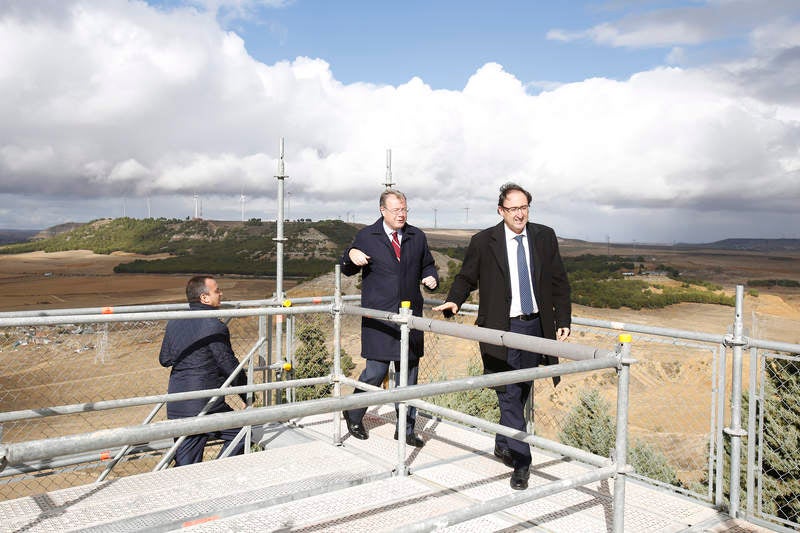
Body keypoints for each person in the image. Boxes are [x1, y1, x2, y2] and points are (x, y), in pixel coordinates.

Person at [433, 182, 571, 490]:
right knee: (508, 393)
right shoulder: (484, 241)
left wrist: (563, 318)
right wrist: (455, 299)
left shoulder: (544, 237)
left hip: (535, 327)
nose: (519, 214)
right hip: (501, 329)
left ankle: (502, 441)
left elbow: (559, 280)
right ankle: (522, 461)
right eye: (513, 209)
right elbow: (467, 276)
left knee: (521, 390)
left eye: (524, 207)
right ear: (501, 210)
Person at [341, 188, 439, 447]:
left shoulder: (416, 236)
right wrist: (351, 255)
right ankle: (353, 413)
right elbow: (347, 267)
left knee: (409, 376)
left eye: (404, 209)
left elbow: (427, 264)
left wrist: (431, 277)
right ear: (382, 210)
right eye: (396, 210)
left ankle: (405, 429)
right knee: (375, 371)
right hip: (380, 319)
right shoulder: (367, 236)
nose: (401, 214)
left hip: (410, 317)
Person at [159, 275, 247, 466]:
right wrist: (248, 397)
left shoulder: (175, 322)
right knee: (243, 432)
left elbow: (165, 359)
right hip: (205, 405)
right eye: (217, 291)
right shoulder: (214, 325)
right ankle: (215, 472)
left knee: (186, 465)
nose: (221, 293)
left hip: (177, 404)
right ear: (204, 298)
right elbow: (228, 365)